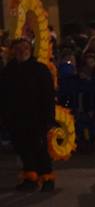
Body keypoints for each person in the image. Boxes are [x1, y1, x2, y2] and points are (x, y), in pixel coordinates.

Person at [0, 37, 57, 192]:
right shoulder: (8, 71)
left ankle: (47, 178)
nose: (22, 51)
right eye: (18, 49)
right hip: (16, 118)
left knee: (39, 148)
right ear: (13, 52)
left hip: (37, 117)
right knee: (23, 148)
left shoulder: (40, 69)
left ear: (30, 50)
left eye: (25, 48)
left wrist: (49, 118)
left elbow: (48, 96)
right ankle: (30, 178)